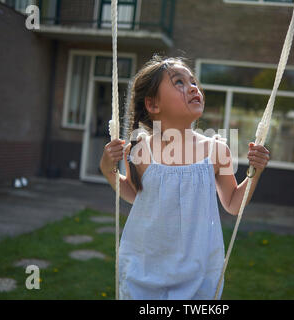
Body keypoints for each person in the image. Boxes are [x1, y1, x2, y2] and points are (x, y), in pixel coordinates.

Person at [99, 55, 270, 299]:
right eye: (179, 82)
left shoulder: (216, 150)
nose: (192, 87)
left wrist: (256, 172)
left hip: (197, 273)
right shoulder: (139, 150)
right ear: (153, 104)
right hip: (144, 268)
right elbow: (136, 196)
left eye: (193, 82)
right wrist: (108, 169)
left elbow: (233, 203)